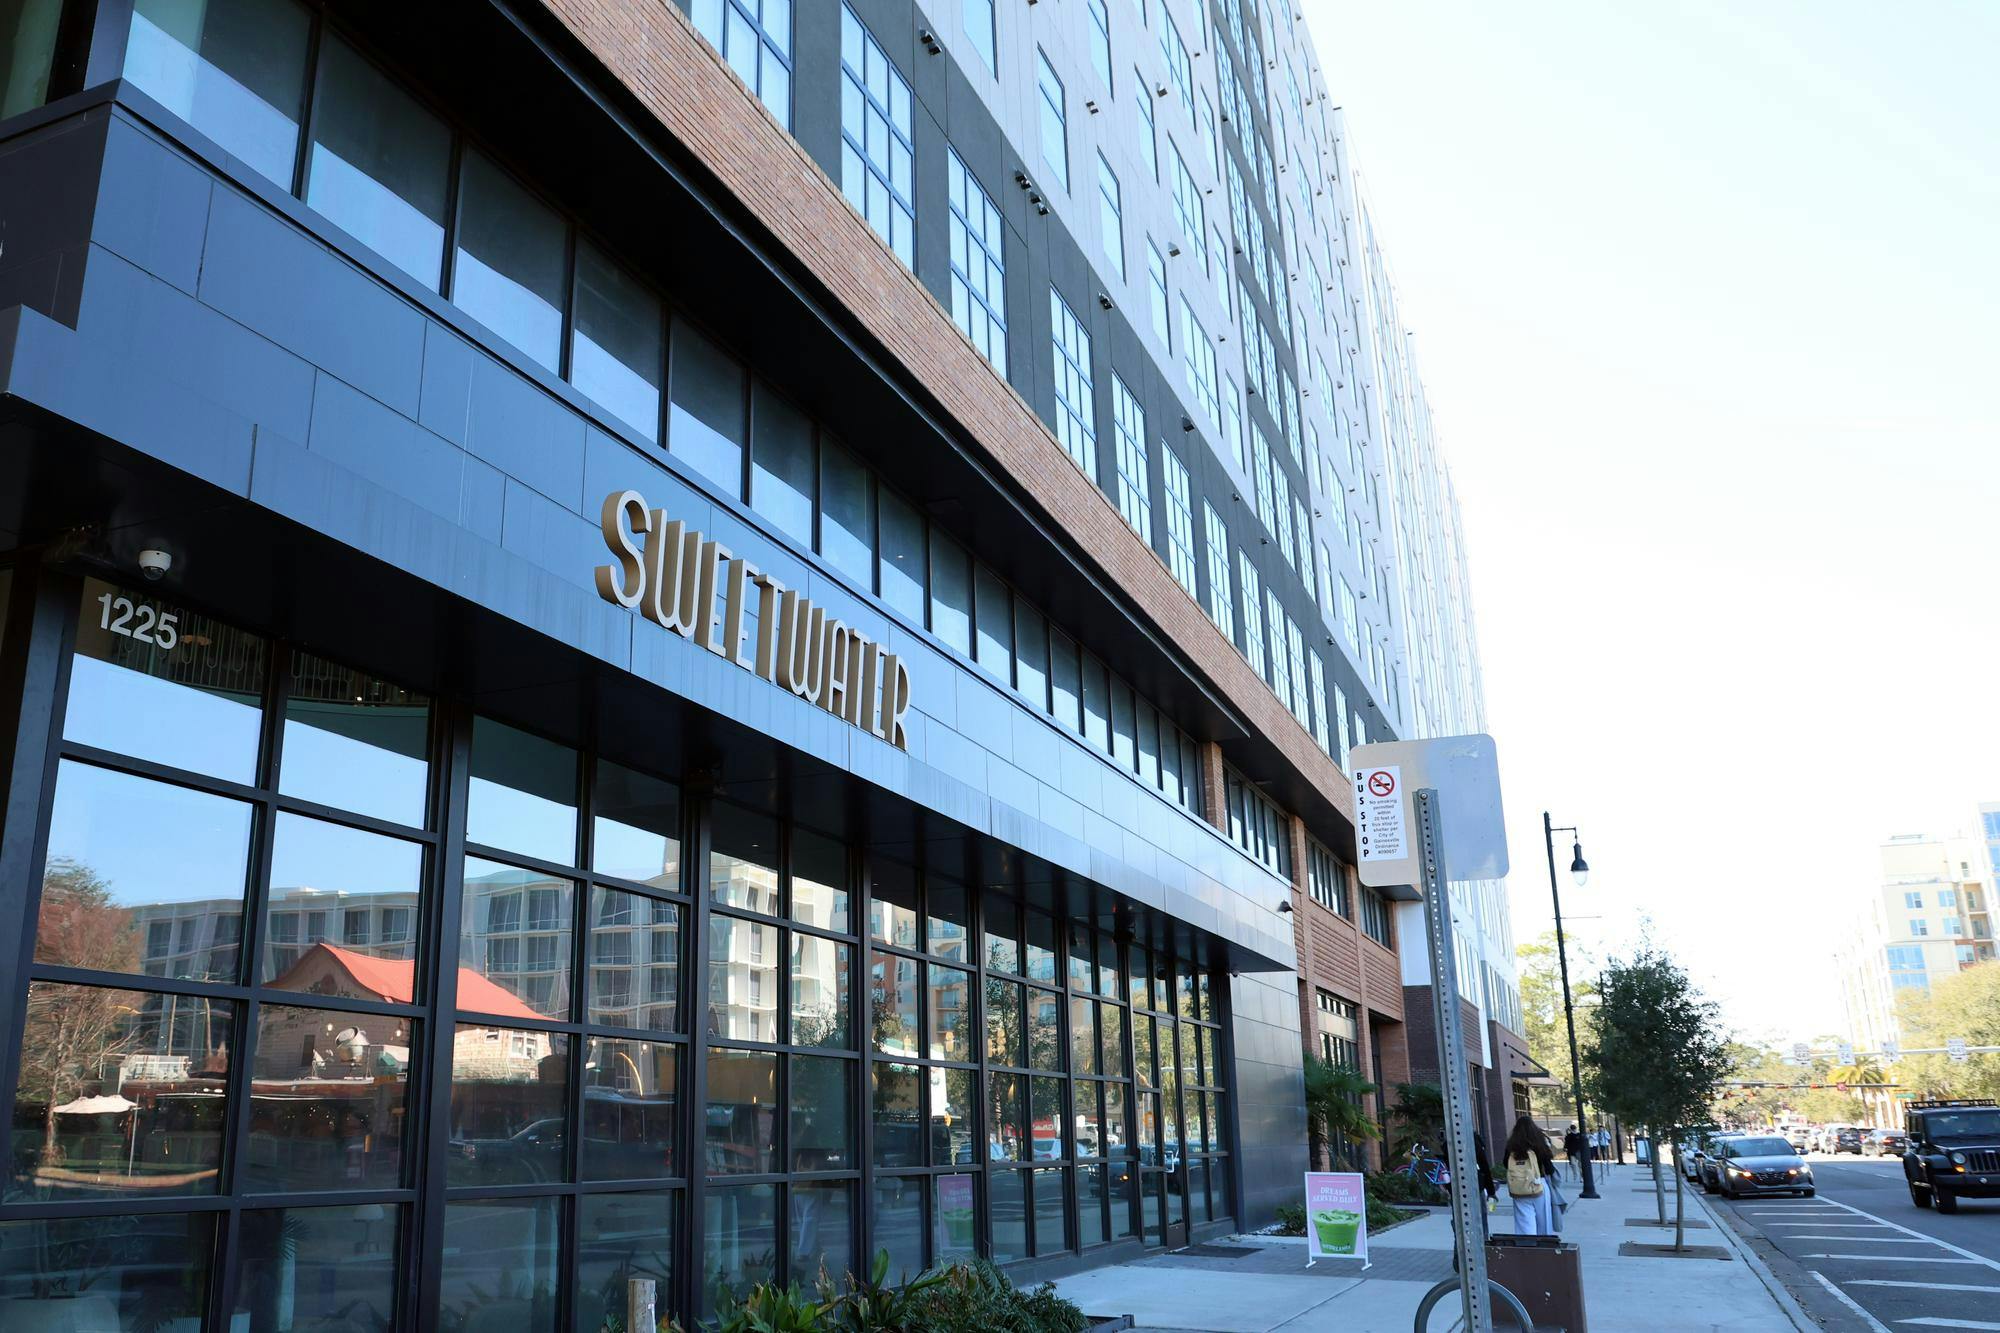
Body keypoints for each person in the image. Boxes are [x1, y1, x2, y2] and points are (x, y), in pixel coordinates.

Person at [1503, 1115, 1559, 1236]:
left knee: (1524, 1224)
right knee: (1543, 1223)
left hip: (1519, 1187)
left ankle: (1527, 1248)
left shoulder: (1511, 1145)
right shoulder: (1539, 1143)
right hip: (1539, 1185)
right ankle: (1543, 1249)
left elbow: (1505, 1164)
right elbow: (1549, 1168)